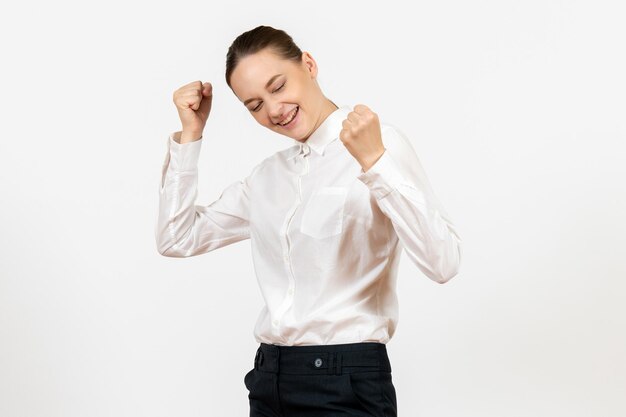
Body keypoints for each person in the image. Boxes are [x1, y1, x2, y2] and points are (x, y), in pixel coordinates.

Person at [155, 25, 462, 417]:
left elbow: (444, 262)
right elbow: (176, 238)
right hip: (269, 379)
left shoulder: (377, 143)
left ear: (309, 65)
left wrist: (375, 164)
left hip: (346, 380)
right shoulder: (267, 176)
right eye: (254, 105)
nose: (274, 110)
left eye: (278, 86)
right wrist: (190, 135)